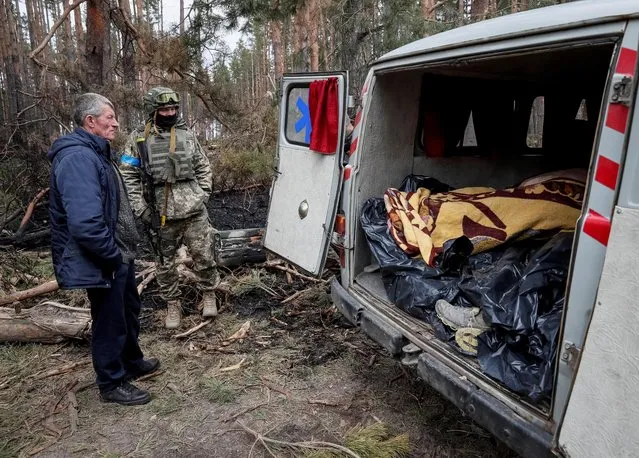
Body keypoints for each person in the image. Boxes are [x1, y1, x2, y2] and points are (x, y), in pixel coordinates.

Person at [48, 93, 159, 406]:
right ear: (90, 121)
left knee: (127, 310)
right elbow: (85, 222)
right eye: (109, 117)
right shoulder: (77, 158)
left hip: (118, 253)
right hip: (104, 257)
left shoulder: (96, 153)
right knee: (109, 319)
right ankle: (112, 382)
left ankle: (131, 361)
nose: (115, 122)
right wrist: (110, 256)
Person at [119, 87, 219, 329]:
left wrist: (202, 195)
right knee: (164, 263)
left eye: (173, 108)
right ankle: (173, 304)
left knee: (204, 255)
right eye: (164, 109)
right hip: (159, 214)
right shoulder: (138, 139)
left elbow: (203, 167)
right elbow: (128, 175)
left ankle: (209, 294)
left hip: (193, 210)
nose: (170, 112)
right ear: (153, 111)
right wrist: (140, 208)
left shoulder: (187, 135)